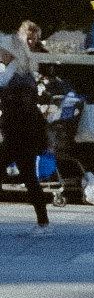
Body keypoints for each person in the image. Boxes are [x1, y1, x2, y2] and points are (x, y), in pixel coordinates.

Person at [0, 35, 51, 234]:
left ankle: (44, 223)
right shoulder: (15, 74)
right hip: (20, 134)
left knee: (29, 177)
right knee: (29, 178)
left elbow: (21, 104)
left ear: (10, 53)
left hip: (19, 134)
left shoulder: (19, 77)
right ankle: (43, 222)